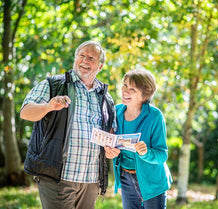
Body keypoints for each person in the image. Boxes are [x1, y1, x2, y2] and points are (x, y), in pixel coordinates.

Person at [20, 40, 116, 209]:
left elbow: (109, 136)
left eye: (91, 58)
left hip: (91, 180)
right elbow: (25, 112)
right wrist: (49, 106)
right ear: (75, 59)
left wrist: (111, 150)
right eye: (82, 56)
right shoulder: (53, 85)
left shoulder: (106, 98)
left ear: (100, 66)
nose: (85, 61)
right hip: (58, 176)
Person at [105, 69, 173, 209]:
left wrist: (145, 152)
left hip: (152, 181)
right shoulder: (116, 111)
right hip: (126, 178)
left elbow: (162, 155)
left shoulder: (155, 116)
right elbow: (111, 142)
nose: (125, 91)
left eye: (133, 89)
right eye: (124, 85)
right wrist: (109, 150)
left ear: (144, 95)